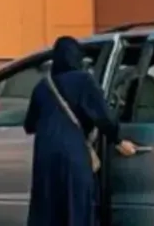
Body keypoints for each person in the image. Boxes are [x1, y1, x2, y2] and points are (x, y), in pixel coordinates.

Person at [24, 36, 137, 226]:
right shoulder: (84, 81)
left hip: (44, 158)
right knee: (76, 207)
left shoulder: (42, 87)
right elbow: (104, 117)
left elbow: (29, 125)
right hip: (73, 155)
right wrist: (118, 140)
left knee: (47, 210)